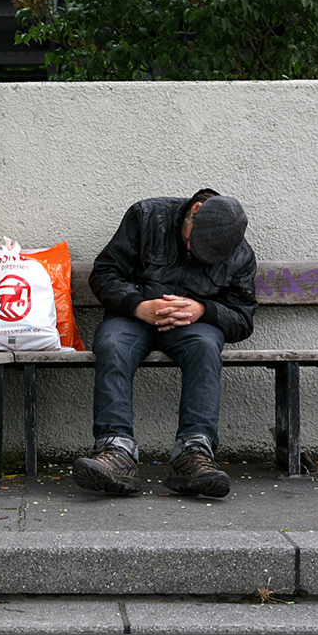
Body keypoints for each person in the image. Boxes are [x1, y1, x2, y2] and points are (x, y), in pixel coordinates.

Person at [72, 188, 258, 498]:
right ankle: (116, 450)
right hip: (132, 317)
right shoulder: (146, 216)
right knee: (113, 343)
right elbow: (104, 273)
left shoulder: (239, 253)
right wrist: (136, 305)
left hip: (193, 327)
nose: (195, 254)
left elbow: (243, 318)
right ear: (194, 211)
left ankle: (194, 454)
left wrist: (204, 309)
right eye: (192, 243)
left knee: (206, 346)